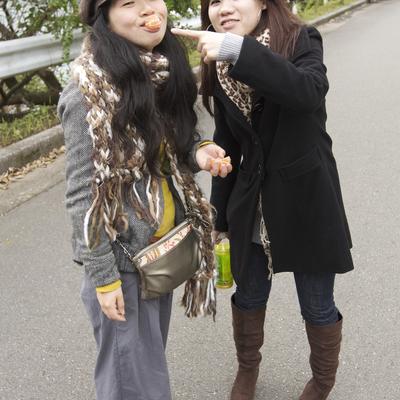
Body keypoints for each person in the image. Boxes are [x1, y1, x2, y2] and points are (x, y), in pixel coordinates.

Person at [172, 0, 354, 399]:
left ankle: (322, 381)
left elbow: (308, 92)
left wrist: (239, 51)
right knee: (249, 292)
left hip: (307, 197)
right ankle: (247, 370)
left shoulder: (300, 39)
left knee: (316, 304)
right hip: (250, 198)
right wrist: (218, 216)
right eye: (213, 1)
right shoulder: (219, 64)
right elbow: (227, 142)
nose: (222, 8)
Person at [58, 1, 232, 399]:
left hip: (157, 252)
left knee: (144, 369)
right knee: (132, 384)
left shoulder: (155, 72)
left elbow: (175, 143)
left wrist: (200, 152)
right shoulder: (89, 92)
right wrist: (104, 279)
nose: (147, 11)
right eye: (128, 3)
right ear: (104, 18)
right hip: (123, 265)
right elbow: (83, 196)